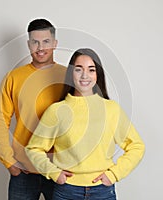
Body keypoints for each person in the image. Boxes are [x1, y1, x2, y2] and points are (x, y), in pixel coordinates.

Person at [25, 48, 145, 200]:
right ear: (71, 74)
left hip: (102, 191)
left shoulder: (111, 109)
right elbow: (34, 148)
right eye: (78, 69)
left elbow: (136, 146)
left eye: (91, 69)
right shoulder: (57, 110)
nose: (84, 75)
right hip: (67, 191)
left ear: (97, 74)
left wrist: (114, 174)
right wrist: (55, 173)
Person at [0, 18, 66, 200]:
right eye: (35, 42)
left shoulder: (68, 76)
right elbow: (0, 120)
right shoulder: (13, 78)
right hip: (23, 171)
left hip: (59, 169)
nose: (40, 47)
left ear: (55, 43)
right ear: (28, 44)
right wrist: (9, 162)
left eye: (46, 41)